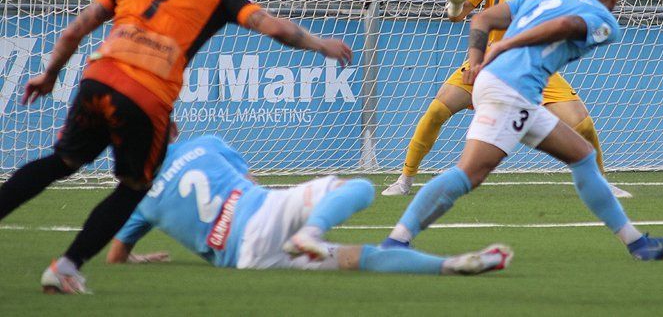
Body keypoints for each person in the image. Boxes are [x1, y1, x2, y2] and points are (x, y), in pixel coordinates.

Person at [0, 0, 353, 294]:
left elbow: (74, 30)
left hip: (97, 80)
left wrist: (49, 74)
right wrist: (321, 45)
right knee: (136, 185)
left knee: (61, 162)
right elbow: (278, 28)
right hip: (144, 95)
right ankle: (67, 267)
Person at [381, 0, 663, 261]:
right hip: (512, 90)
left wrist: (476, 60)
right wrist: (509, 44)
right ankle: (396, 241)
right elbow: (565, 25)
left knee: (583, 155)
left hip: (505, 86)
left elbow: (481, 18)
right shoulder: (605, 21)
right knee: (469, 173)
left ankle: (638, 244)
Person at [383, 0, 630, 199]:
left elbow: (568, 25)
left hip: (535, 66)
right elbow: (463, 15)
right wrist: (453, 6)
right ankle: (405, 179)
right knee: (437, 110)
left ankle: (602, 184)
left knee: (582, 124)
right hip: (488, 62)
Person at [107, 134, 512, 277]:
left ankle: (449, 266)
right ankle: (311, 230)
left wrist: (135, 259)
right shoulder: (204, 145)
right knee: (359, 188)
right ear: (170, 129)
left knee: (361, 259)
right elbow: (250, 183)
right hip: (265, 209)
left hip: (247, 256)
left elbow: (116, 256)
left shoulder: (139, 199)